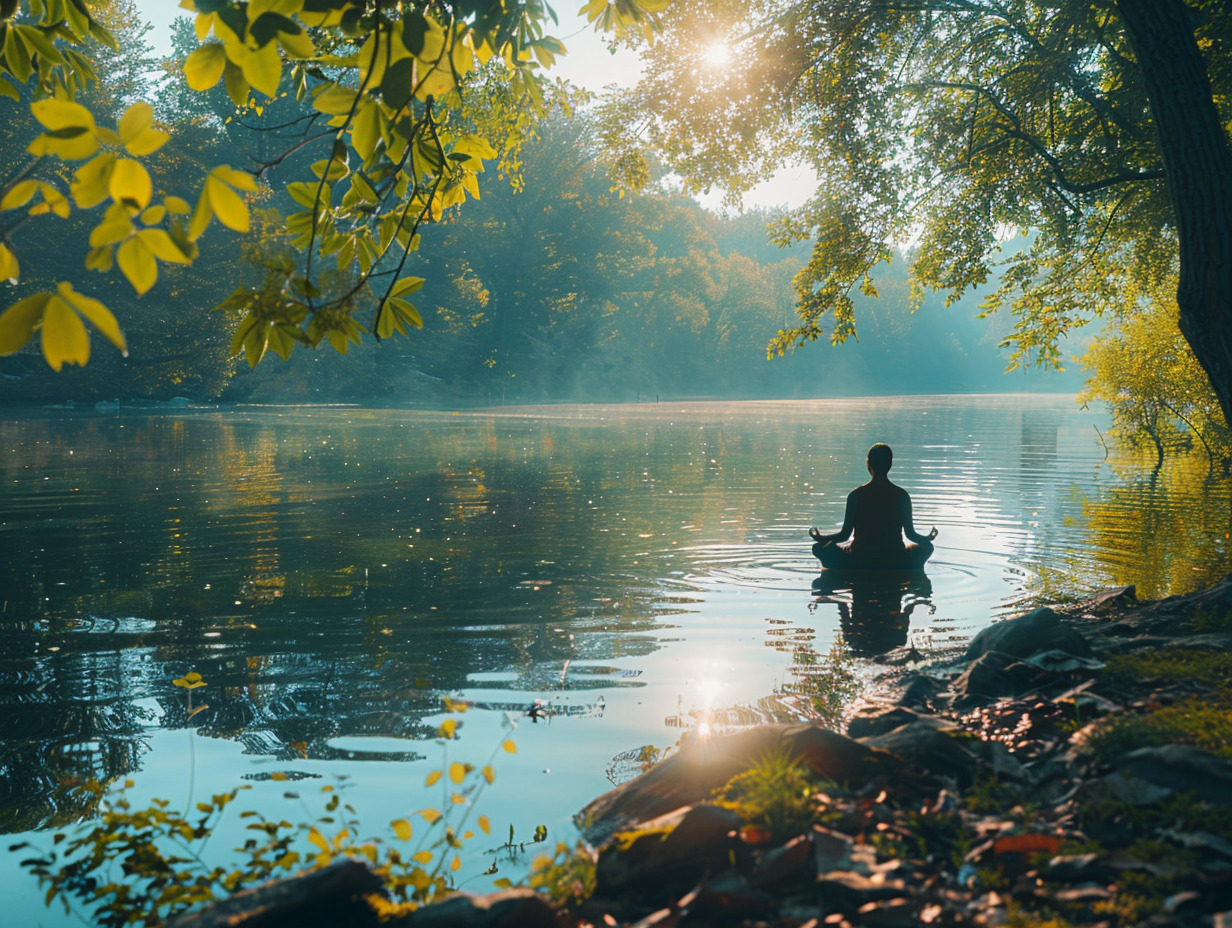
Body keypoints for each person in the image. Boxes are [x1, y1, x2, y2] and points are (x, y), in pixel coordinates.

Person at [809, 443, 938, 570]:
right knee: (927, 547)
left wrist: (822, 538)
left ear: (868, 464)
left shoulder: (855, 495)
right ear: (890, 465)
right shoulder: (901, 496)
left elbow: (844, 535)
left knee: (819, 547)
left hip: (859, 558)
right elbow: (910, 535)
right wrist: (927, 538)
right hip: (895, 559)